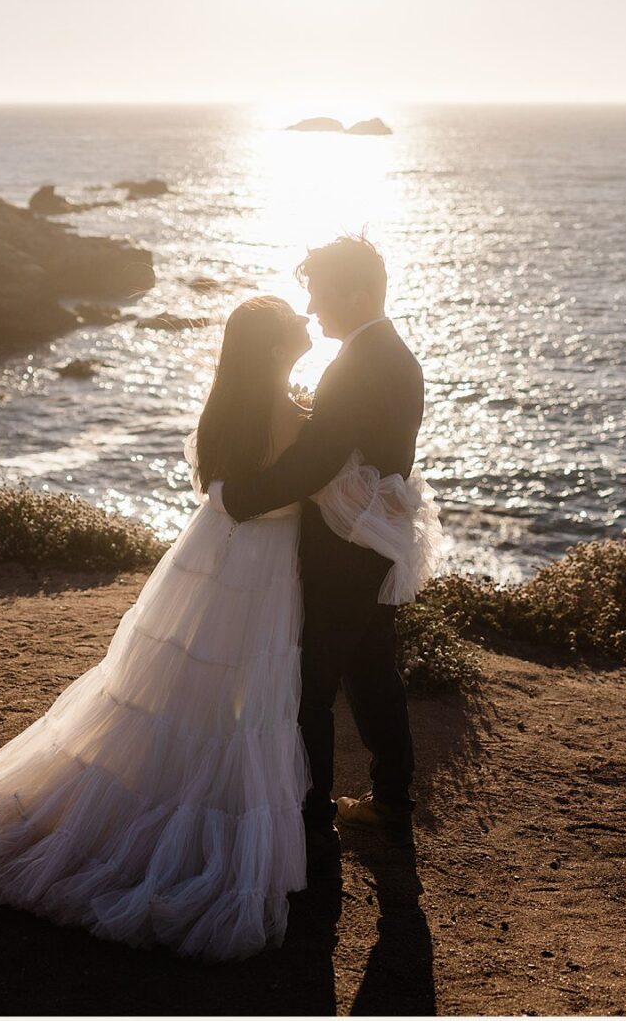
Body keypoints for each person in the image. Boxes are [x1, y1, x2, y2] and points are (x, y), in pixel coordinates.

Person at [0, 293, 441, 962]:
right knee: (268, 693)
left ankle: (241, 802)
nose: (306, 318)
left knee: (201, 683)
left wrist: (235, 498)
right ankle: (299, 825)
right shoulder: (292, 413)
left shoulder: (234, 400)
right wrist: (391, 512)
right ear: (274, 346)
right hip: (266, 564)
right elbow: (314, 477)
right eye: (294, 319)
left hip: (223, 552)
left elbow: (239, 475)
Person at [221, 235, 426, 864]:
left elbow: (315, 462)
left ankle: (312, 820)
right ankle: (391, 803)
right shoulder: (395, 354)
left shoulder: (355, 367)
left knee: (312, 684)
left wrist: (240, 500)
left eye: (320, 293)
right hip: (376, 537)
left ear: (357, 295)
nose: (311, 307)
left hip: (344, 547)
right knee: (373, 671)